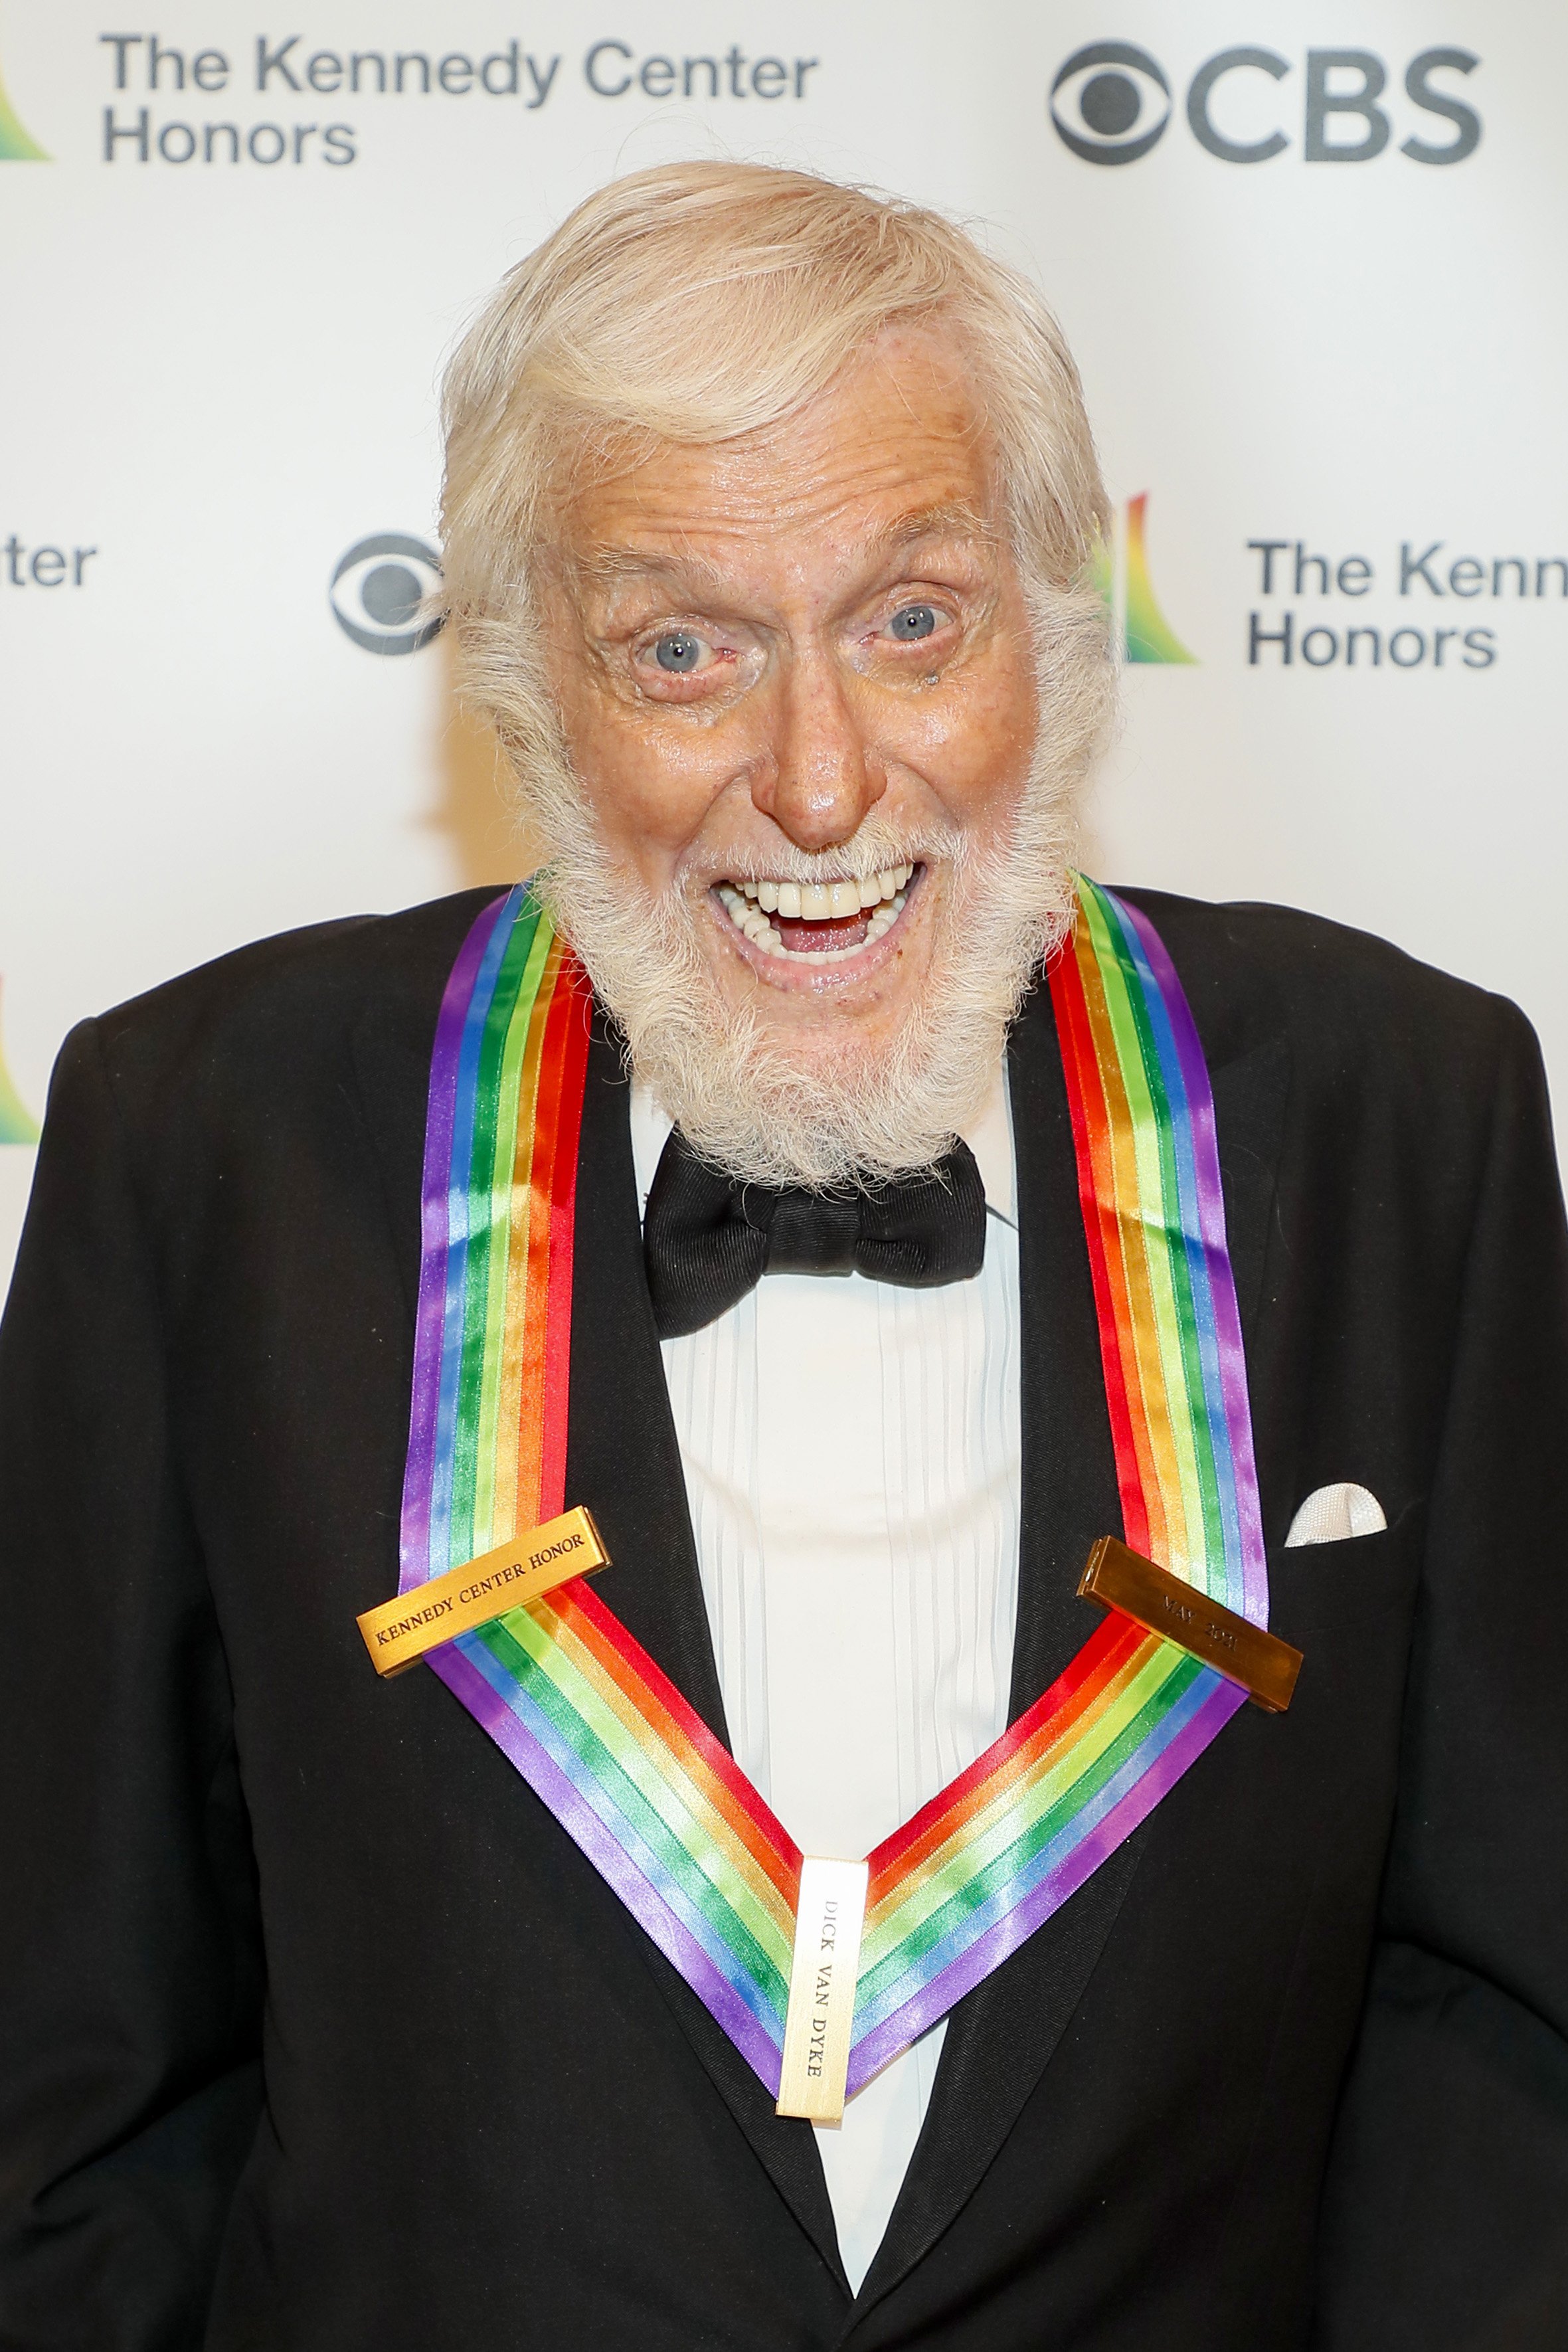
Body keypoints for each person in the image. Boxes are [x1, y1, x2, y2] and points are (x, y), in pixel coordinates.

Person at [1, 160, 1565, 2352]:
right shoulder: (205, 1146)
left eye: (911, 618)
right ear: (523, 684)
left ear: (1054, 618)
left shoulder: (1406, 1116)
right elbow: (79, 2093)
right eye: (682, 650)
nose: (819, 781)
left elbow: (1495, 2040)